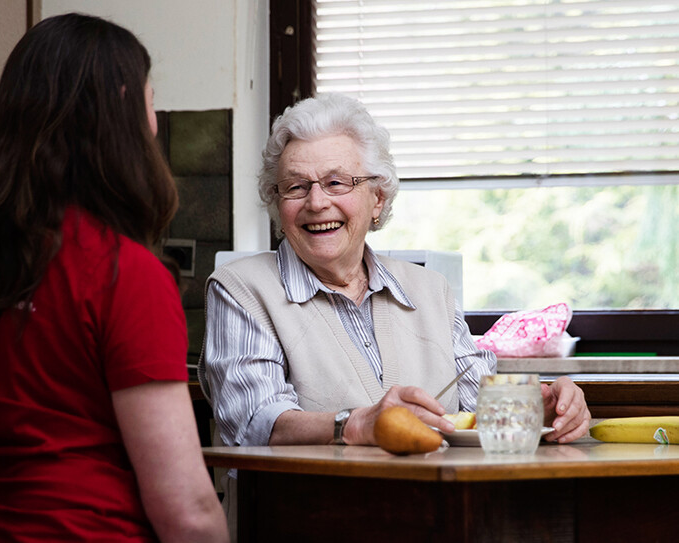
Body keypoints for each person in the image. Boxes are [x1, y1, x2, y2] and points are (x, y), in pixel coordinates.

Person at [198, 93, 591, 531]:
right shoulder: (239, 289)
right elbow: (253, 422)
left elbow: (478, 404)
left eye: (337, 182)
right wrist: (354, 424)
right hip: (306, 526)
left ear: (377, 199)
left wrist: (540, 406)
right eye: (296, 186)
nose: (315, 202)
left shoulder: (431, 290)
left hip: (438, 522)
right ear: (278, 203)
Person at [0, 13, 228, 543]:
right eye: (151, 101)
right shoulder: (123, 273)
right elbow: (187, 511)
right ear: (125, 107)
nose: (154, 123)